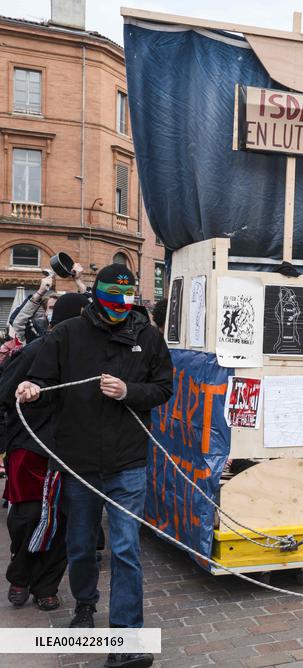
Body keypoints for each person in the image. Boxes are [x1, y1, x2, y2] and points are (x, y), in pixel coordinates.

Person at [16, 264, 172, 668]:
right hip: (79, 462)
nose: (120, 304)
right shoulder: (67, 334)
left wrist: (128, 391)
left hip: (128, 462)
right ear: (97, 295)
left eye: (127, 296)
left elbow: (163, 388)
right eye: (112, 296)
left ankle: (127, 641)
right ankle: (85, 604)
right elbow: (41, 380)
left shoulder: (149, 337)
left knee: (125, 549)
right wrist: (31, 387)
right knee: (81, 546)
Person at [2, 292, 91, 612]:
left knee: (65, 522)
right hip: (31, 450)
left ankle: (46, 586)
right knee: (28, 518)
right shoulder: (34, 351)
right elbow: (5, 393)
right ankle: (20, 576)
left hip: (72, 451)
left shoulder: (89, 355)